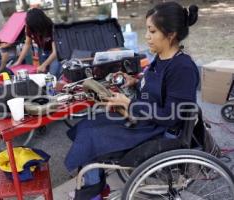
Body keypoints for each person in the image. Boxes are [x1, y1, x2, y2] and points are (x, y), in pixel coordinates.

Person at [65, 2, 199, 199]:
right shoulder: (162, 58)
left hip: (159, 132)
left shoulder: (182, 68)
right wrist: (135, 83)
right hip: (145, 120)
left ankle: (90, 192)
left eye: (152, 31)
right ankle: (95, 185)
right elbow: (156, 90)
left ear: (170, 35)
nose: (147, 36)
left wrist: (129, 104)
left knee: (92, 137)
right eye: (147, 30)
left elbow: (171, 116)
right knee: (88, 125)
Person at [13, 8, 62, 78]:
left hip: (54, 53)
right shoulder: (30, 26)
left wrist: (43, 65)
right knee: (43, 74)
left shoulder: (52, 28)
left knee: (53, 74)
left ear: (39, 23)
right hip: (41, 50)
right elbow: (27, 44)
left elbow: (55, 52)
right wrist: (18, 61)